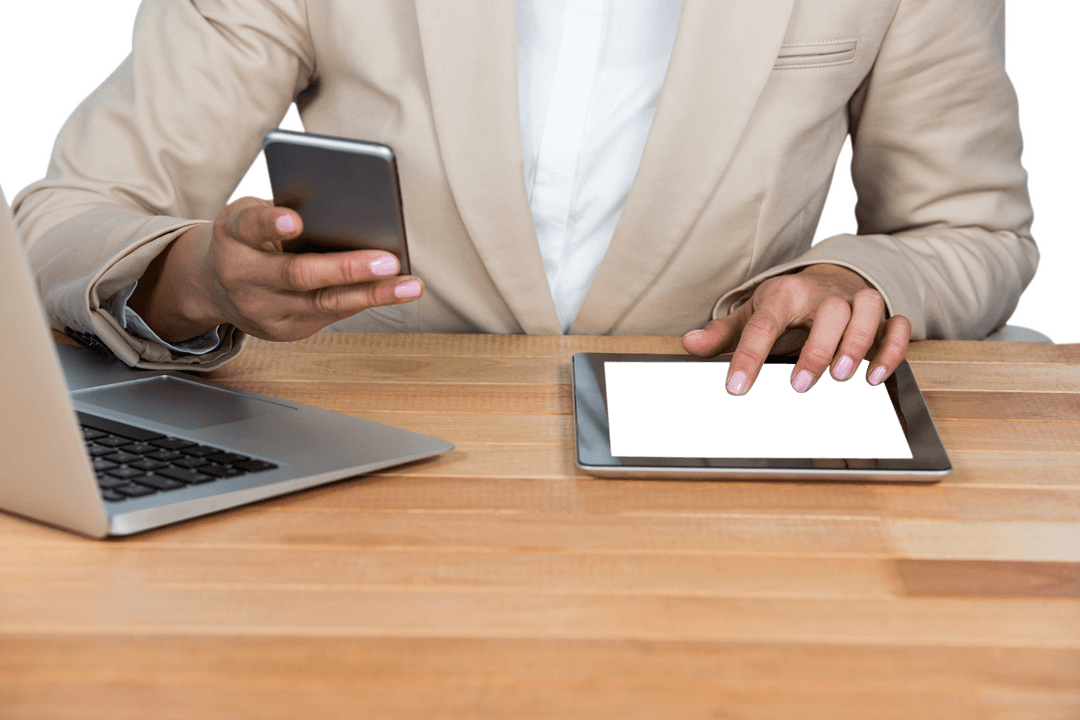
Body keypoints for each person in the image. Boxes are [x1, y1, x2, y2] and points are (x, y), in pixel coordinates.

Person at [13, 0, 1036, 396]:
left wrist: (853, 276)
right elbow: (69, 215)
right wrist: (191, 274)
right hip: (377, 464)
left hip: (725, 467)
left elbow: (969, 228)